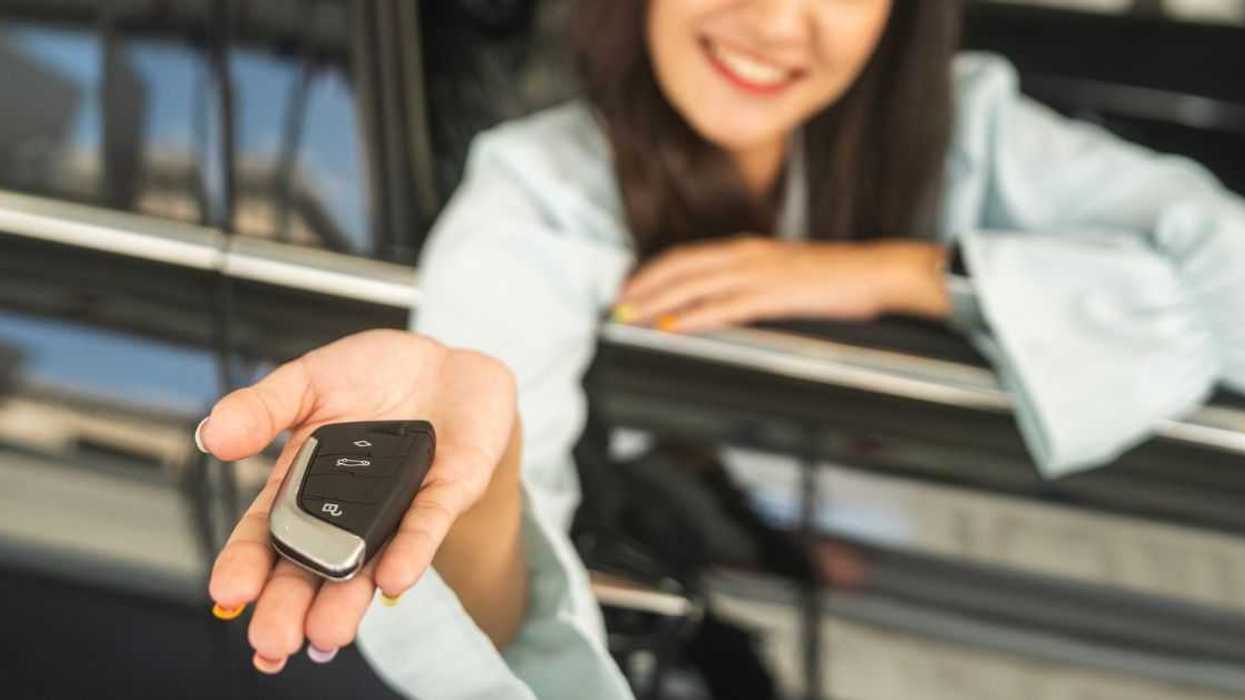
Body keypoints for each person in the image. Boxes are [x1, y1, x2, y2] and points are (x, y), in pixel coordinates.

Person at [205, 0, 1245, 697]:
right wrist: (480, 485)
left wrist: (911, 273)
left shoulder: (972, 131)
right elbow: (497, 624)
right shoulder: (541, 191)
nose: (773, 21)